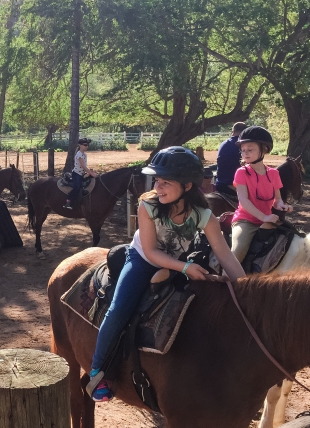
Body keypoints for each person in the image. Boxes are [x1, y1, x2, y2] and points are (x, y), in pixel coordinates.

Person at [87, 147, 245, 402]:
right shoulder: (147, 205)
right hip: (142, 259)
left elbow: (225, 255)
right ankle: (98, 371)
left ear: (187, 185)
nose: (158, 186)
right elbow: (149, 251)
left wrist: (246, 288)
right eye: (157, 180)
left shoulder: (204, 216)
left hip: (179, 259)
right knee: (118, 308)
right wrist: (185, 268)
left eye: (165, 182)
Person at [229, 126, 293, 263]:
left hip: (268, 220)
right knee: (237, 252)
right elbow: (243, 200)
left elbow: (277, 200)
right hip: (245, 220)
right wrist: (264, 216)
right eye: (243, 150)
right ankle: (225, 279)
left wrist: (283, 206)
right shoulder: (241, 172)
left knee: (292, 241)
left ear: (264, 149)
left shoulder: (274, 174)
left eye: (250, 149)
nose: (245, 153)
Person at [215, 122, 248, 195]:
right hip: (233, 185)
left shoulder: (223, 144)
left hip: (219, 183)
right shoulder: (245, 146)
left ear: (233, 132)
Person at [65, 138, 98, 209]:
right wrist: (91, 173)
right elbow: (83, 166)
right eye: (85, 145)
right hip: (76, 174)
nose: (87, 146)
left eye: (87, 145)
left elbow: (84, 167)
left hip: (82, 173)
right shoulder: (79, 154)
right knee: (77, 187)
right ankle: (68, 201)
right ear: (80, 145)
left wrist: (89, 172)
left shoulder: (84, 154)